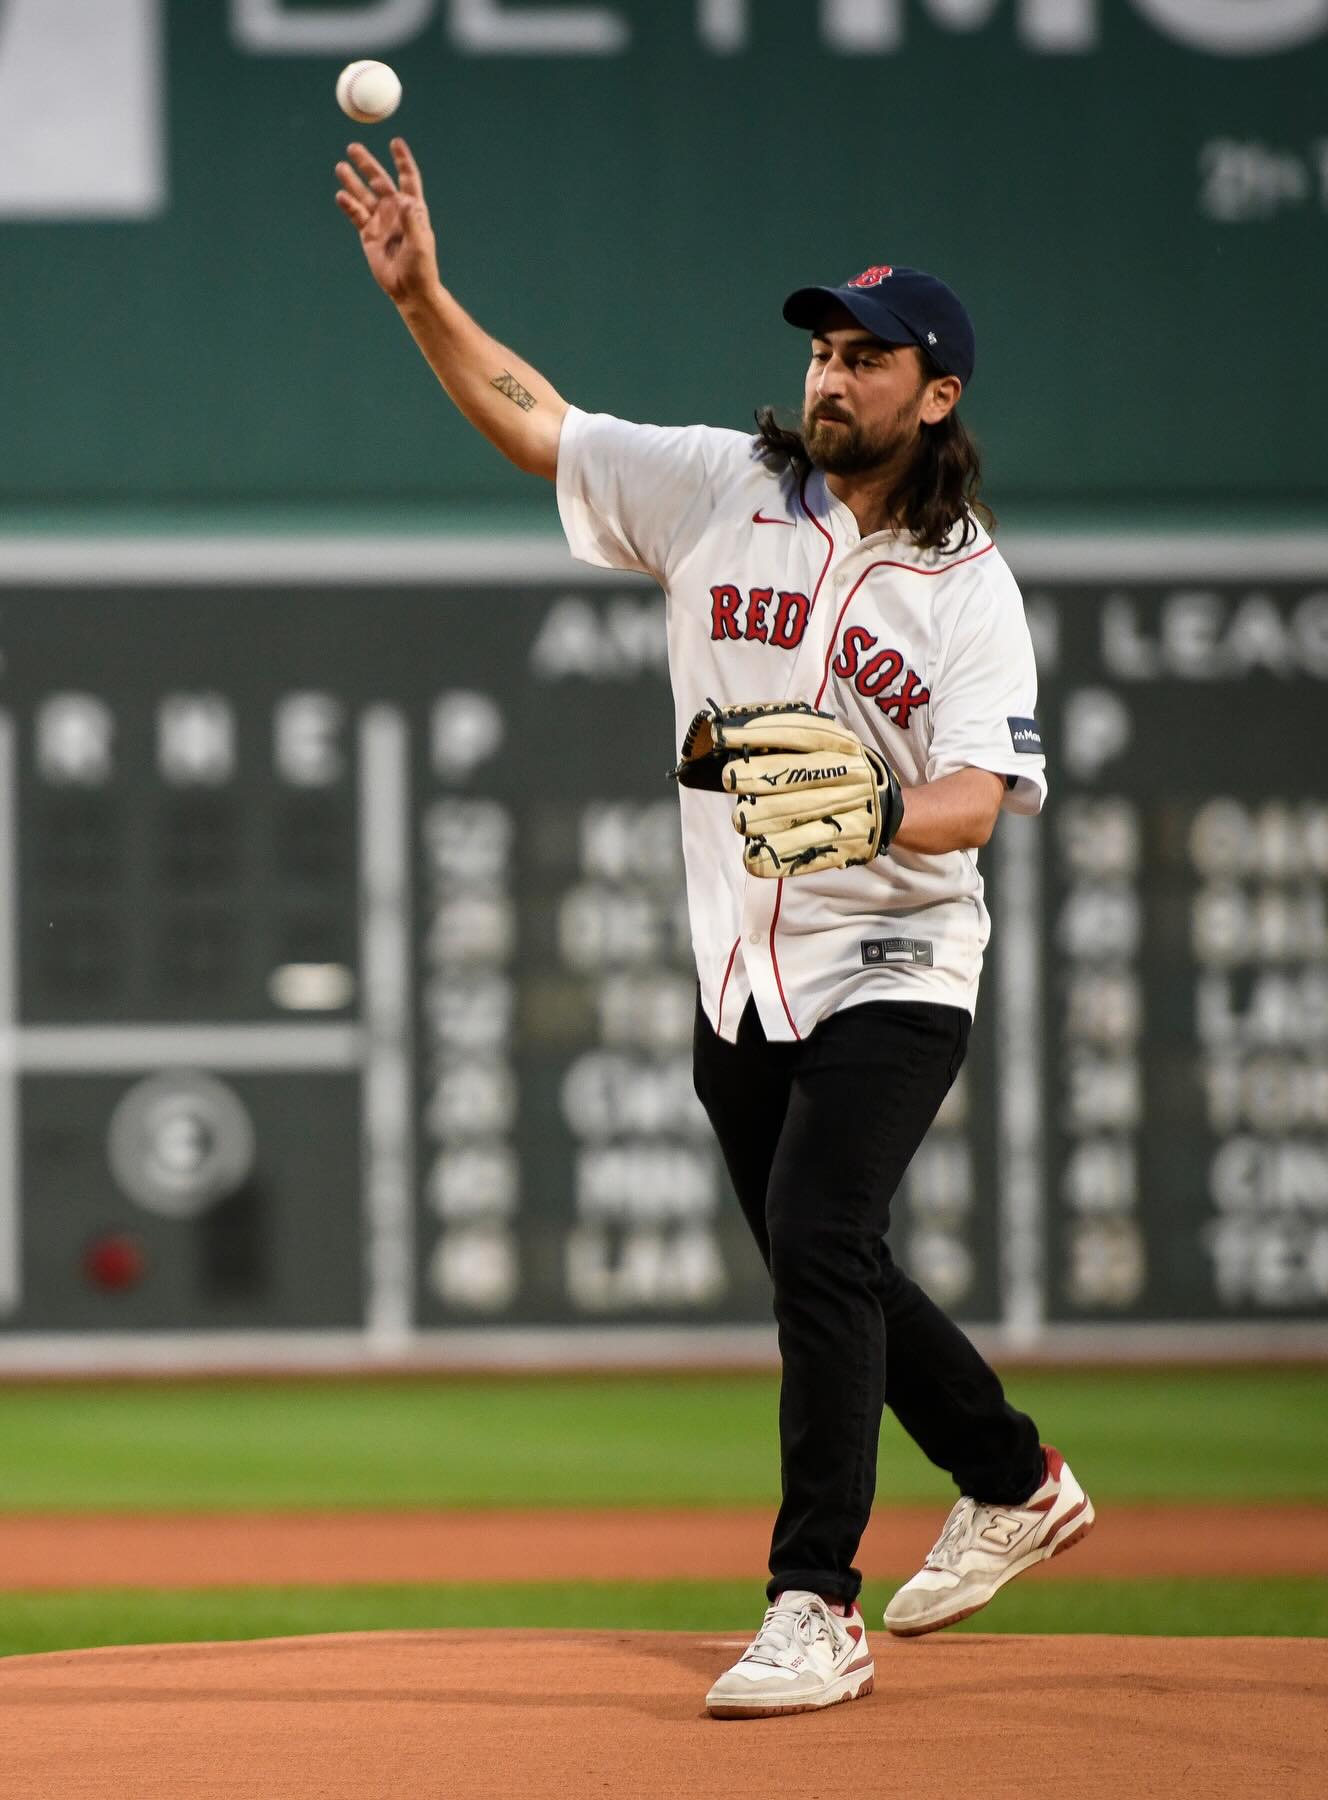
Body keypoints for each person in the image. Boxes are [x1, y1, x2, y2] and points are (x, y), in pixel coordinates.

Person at [336, 138, 1094, 1721]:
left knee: (818, 1235)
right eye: (822, 348)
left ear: (936, 395)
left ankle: (815, 1602)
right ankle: (1013, 1479)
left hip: (899, 959)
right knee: (835, 1260)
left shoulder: (968, 587)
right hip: (740, 969)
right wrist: (419, 299)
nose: (832, 374)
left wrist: (872, 815)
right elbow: (537, 420)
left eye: (868, 356)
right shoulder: (716, 489)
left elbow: (977, 798)